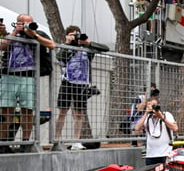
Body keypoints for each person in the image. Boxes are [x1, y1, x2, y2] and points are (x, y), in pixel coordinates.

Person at [0, 14, 56, 153]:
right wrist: (14, 33)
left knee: (28, 111)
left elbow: (52, 45)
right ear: (17, 23)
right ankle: (3, 143)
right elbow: (3, 47)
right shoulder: (11, 34)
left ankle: (27, 142)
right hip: (9, 75)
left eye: (29, 23)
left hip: (29, 76)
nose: (26, 25)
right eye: (23, 23)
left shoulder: (38, 34)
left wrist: (33, 34)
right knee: (6, 111)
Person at [54, 25, 107, 151]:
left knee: (79, 113)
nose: (75, 37)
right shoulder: (65, 47)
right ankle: (56, 139)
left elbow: (105, 48)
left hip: (82, 84)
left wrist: (88, 42)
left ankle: (76, 141)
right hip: (67, 82)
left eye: (77, 34)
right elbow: (60, 57)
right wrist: (68, 42)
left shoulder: (86, 49)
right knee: (62, 111)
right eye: (72, 34)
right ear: (67, 35)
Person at [133, 88, 178, 166]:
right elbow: (136, 129)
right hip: (151, 155)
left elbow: (175, 128)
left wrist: (162, 117)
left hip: (165, 154)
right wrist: (146, 113)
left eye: (153, 106)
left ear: (158, 106)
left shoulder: (166, 115)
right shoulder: (147, 118)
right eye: (150, 106)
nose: (152, 108)